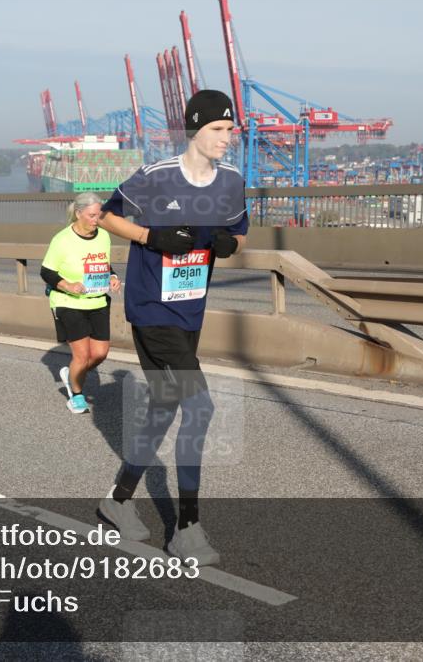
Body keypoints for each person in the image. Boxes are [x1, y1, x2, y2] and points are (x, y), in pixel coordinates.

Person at [94, 90, 247, 566]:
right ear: (194, 130)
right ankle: (187, 529)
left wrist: (228, 244)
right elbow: (106, 214)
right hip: (150, 307)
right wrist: (150, 236)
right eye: (218, 130)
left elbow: (240, 233)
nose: (227, 138)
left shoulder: (233, 182)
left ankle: (116, 502)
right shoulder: (158, 176)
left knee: (163, 408)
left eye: (230, 130)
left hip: (189, 310)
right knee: (199, 408)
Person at [40, 193, 121, 414]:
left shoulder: (104, 236)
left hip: (97, 301)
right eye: (92, 215)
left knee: (100, 353)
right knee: (82, 355)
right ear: (78, 214)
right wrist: (68, 285)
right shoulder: (62, 239)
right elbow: (46, 271)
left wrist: (113, 277)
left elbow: (103, 266)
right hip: (68, 302)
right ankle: (76, 394)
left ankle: (72, 372)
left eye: (99, 215)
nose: (97, 220)